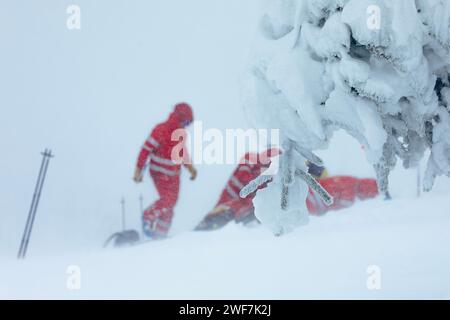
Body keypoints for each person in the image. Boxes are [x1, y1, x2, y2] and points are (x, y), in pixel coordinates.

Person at [134, 103, 197, 239]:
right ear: (180, 118)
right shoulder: (160, 130)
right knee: (168, 200)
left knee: (170, 205)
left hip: (174, 175)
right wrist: (138, 170)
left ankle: (160, 235)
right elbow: (145, 150)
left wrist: (190, 168)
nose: (186, 126)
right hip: (159, 173)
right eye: (186, 122)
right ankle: (148, 216)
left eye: (188, 123)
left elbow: (181, 153)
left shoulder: (180, 135)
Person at [196, 148, 280, 231]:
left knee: (216, 220)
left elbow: (257, 197)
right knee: (208, 214)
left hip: (233, 205)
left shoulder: (268, 180)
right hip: (223, 193)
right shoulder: (252, 158)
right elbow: (244, 175)